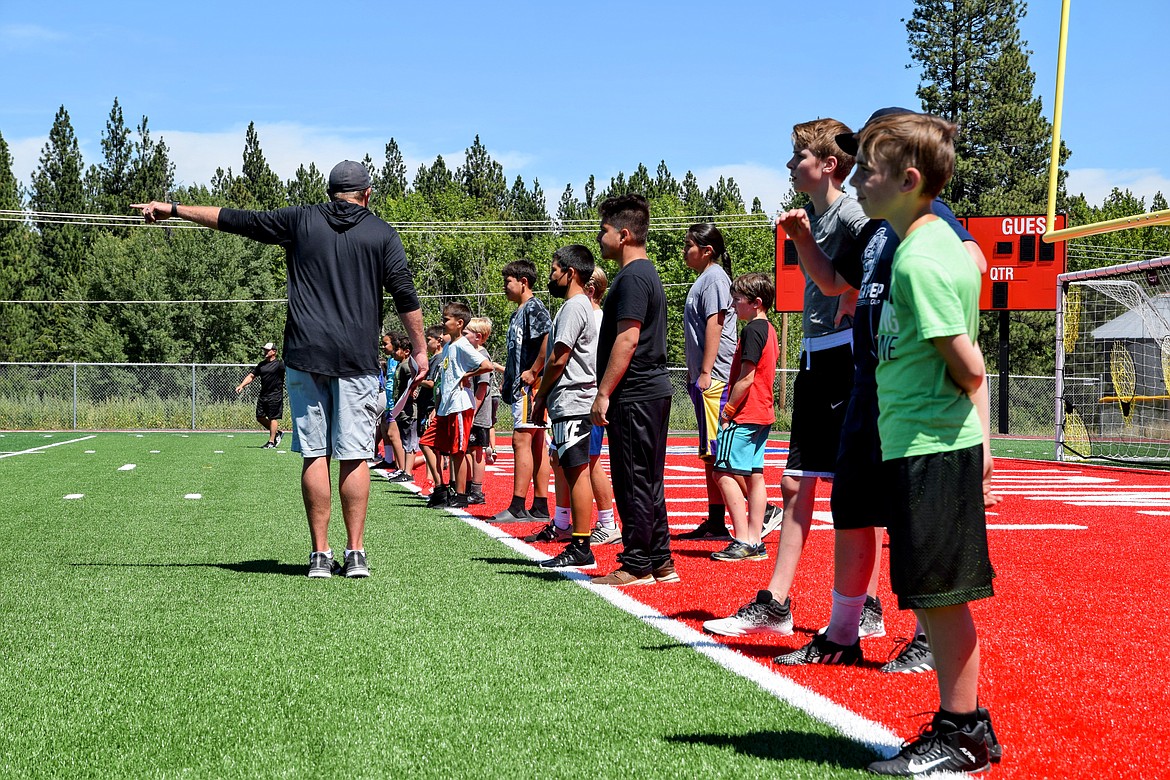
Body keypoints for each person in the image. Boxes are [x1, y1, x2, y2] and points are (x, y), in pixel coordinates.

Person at [771, 109, 996, 688]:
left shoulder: (923, 223)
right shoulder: (875, 227)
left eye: (866, 158)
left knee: (916, 526)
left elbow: (972, 266)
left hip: (916, 402)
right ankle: (844, 632)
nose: (856, 169)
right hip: (870, 388)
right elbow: (831, 282)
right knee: (851, 507)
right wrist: (799, 240)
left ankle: (928, 643)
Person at [134, 160, 427, 580]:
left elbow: (236, 220)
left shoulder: (301, 220)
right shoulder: (382, 233)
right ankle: (356, 554)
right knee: (355, 455)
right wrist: (419, 350)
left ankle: (320, 556)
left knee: (315, 453)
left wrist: (175, 208)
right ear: (367, 194)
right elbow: (405, 295)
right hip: (358, 360)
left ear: (331, 192)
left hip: (306, 356)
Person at [849, 112, 998, 776]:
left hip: (931, 444)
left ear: (908, 181)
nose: (857, 181)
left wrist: (978, 437)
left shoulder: (916, 260)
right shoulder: (935, 243)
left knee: (941, 595)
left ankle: (963, 731)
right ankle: (962, 726)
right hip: (927, 442)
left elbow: (967, 363)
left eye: (868, 171)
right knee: (938, 594)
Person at [704, 119, 866, 633]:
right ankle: (778, 603)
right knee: (796, 484)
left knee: (850, 494)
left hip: (844, 359)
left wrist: (855, 297)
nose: (789, 164)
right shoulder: (817, 217)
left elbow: (872, 264)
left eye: (798, 156)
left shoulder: (851, 213)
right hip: (818, 359)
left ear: (828, 165)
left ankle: (864, 608)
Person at [589, 193, 677, 586]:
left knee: (633, 479)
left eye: (603, 230)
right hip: (649, 391)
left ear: (623, 235)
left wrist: (603, 392)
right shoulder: (644, 273)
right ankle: (660, 560)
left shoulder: (632, 278)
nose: (599, 237)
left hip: (635, 392)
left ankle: (637, 563)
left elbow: (627, 340)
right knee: (648, 479)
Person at [528, 245, 599, 568]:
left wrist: (540, 396)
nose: (550, 276)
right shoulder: (577, 305)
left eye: (554, 269)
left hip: (574, 400)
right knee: (571, 468)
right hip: (570, 400)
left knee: (576, 470)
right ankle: (577, 540)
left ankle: (581, 545)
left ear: (570, 273)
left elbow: (559, 357)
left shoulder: (574, 306)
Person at [709, 273, 779, 562]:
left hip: (746, 412)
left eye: (738, 299)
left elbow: (746, 377)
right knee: (754, 476)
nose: (734, 304)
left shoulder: (752, 330)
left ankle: (743, 539)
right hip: (762, 411)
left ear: (756, 303)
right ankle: (754, 539)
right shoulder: (769, 329)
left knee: (722, 471)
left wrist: (727, 412)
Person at [491, 260, 552, 523]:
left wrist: (535, 370)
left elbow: (548, 336)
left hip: (531, 387)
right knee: (536, 444)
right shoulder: (518, 311)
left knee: (522, 441)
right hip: (521, 387)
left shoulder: (534, 307)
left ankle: (518, 506)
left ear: (523, 282)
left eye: (508, 282)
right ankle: (539, 506)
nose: (505, 287)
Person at [433, 302, 494, 509]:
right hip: (447, 406)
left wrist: (467, 375)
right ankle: (449, 490)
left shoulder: (462, 345)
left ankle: (460, 494)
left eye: (446, 319)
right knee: (444, 448)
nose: (443, 322)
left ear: (459, 323)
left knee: (459, 451)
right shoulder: (451, 345)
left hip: (460, 405)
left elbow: (486, 366)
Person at [583, 266, 619, 546]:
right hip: (580, 396)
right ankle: (565, 519)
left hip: (587, 396)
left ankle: (607, 522)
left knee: (591, 459)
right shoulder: (595, 317)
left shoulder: (596, 318)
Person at [464, 317, 503, 505]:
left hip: (478, 414)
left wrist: (473, 410)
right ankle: (467, 485)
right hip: (469, 411)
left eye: (466, 334)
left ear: (478, 337)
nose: (463, 337)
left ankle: (477, 490)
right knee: (467, 450)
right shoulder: (471, 355)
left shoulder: (482, 357)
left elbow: (482, 387)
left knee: (476, 450)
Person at [235, 342, 286, 449]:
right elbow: (251, 376)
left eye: (267, 350)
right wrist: (241, 385)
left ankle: (271, 442)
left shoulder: (280, 364)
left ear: (274, 352)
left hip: (275, 395)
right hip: (263, 395)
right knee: (260, 417)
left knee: (273, 417)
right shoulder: (261, 365)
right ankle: (277, 433)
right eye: (265, 350)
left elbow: (290, 371)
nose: (265, 352)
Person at [416, 325, 446, 500]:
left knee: (430, 445)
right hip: (427, 406)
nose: (427, 343)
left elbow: (433, 383)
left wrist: (417, 380)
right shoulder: (434, 359)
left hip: (431, 407)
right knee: (428, 445)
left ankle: (434, 482)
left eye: (429, 340)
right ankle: (433, 482)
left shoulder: (439, 358)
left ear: (438, 341)